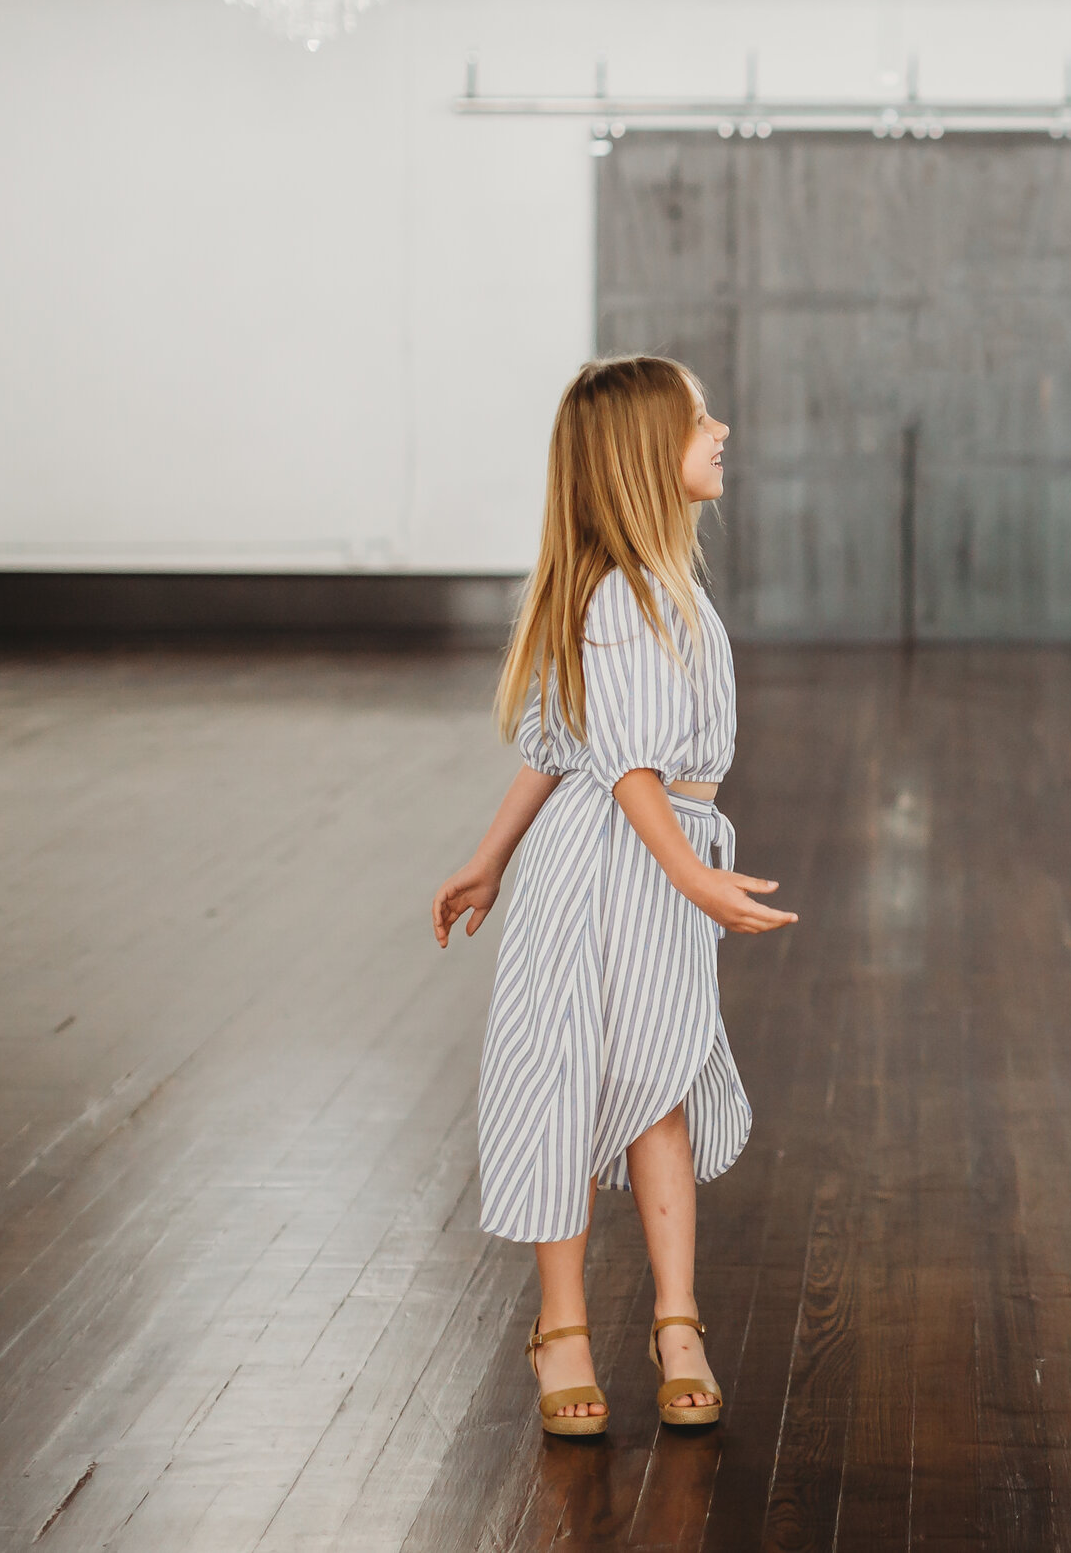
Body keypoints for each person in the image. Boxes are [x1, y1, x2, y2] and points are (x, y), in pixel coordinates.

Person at [431, 355, 796, 1437]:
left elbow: (556, 740)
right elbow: (618, 763)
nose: (721, 428)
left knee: (657, 1075)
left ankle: (676, 1317)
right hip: (607, 861)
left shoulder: (657, 588)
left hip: (642, 854)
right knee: (570, 1075)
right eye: (698, 421)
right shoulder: (617, 600)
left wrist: (490, 852)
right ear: (647, 455)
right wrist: (691, 877)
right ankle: (563, 1324)